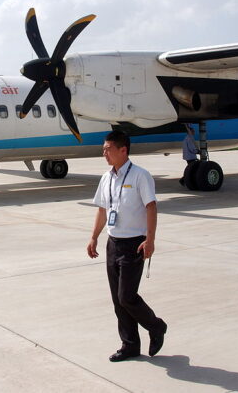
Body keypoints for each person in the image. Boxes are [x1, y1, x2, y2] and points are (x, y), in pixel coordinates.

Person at [87, 130, 167, 362]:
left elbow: (151, 207)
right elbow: (103, 209)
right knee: (117, 300)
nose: (104, 154)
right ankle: (130, 345)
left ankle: (156, 326)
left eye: (108, 149)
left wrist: (150, 239)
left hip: (135, 244)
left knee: (126, 296)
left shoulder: (140, 176)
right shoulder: (106, 177)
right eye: (103, 149)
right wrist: (94, 237)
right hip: (113, 243)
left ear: (123, 150)